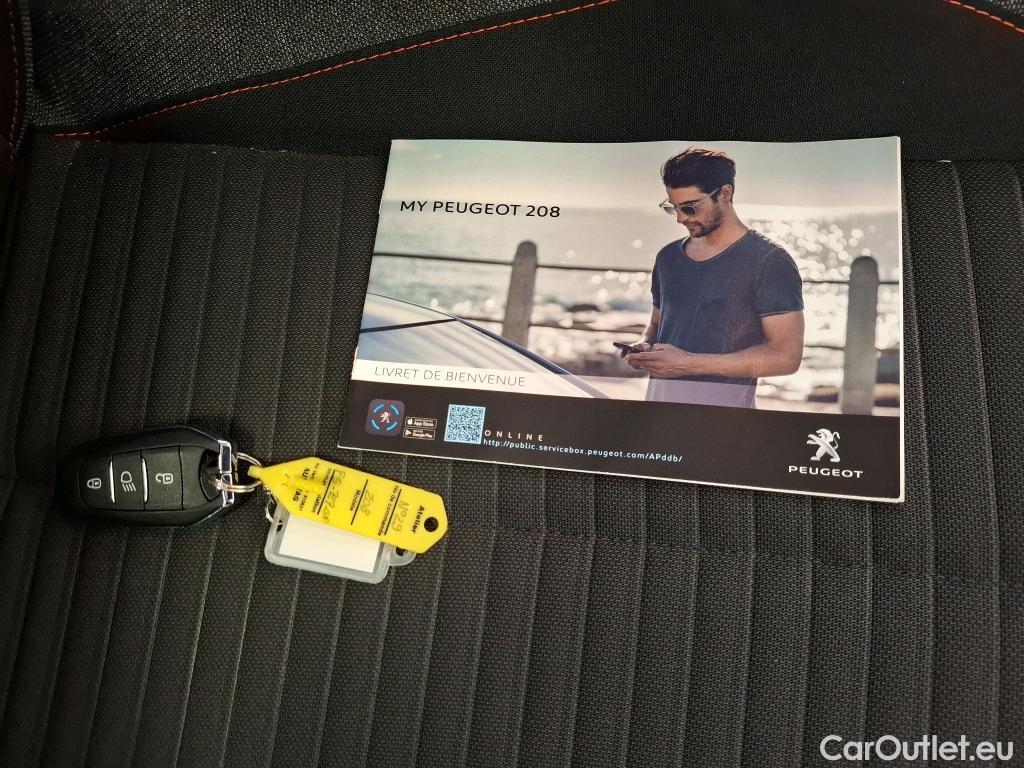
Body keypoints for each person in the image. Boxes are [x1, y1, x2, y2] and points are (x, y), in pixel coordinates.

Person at [624, 148, 805, 408]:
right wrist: (643, 346)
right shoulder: (668, 258)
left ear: (724, 194)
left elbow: (786, 358)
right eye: (673, 208)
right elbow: (656, 324)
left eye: (690, 208)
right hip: (657, 414)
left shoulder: (770, 261)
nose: (680, 218)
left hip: (724, 422)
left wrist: (688, 364)